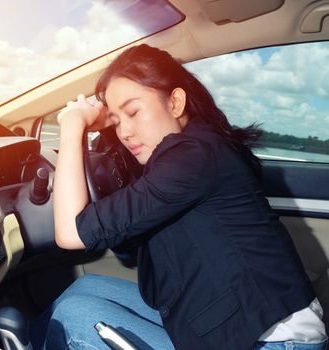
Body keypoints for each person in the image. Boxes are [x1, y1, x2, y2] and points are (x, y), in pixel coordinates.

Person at [31, 44, 328, 350]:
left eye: (133, 111)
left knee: (72, 317)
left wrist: (72, 125)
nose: (125, 132)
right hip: (239, 315)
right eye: (117, 121)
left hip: (272, 340)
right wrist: (105, 122)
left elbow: (70, 233)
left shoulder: (191, 156)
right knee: (86, 286)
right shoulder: (198, 146)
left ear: (175, 102)